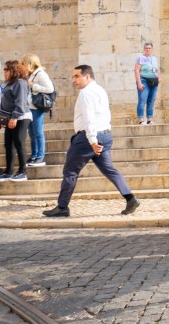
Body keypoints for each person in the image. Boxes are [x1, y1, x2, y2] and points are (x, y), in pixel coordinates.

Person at [43, 65, 140, 217]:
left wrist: (93, 141)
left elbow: (89, 119)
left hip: (88, 139)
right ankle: (130, 198)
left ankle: (62, 207)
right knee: (109, 169)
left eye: (77, 76)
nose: (74, 80)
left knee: (70, 171)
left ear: (87, 77)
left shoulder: (85, 94)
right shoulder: (101, 90)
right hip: (105, 135)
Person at [0, 60, 32, 181]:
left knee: (19, 142)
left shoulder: (20, 83)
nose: (4, 72)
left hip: (21, 117)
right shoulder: (10, 83)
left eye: (6, 69)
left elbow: (21, 102)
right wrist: (4, 119)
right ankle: (9, 171)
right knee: (8, 144)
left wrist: (14, 117)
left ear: (14, 70)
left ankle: (23, 171)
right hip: (10, 118)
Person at [22, 54, 55, 167]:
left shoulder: (41, 74)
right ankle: (34, 155)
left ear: (30, 63)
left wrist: (34, 86)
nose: (23, 65)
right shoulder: (32, 74)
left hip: (36, 107)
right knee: (32, 133)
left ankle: (40, 156)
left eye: (24, 63)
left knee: (38, 132)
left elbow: (50, 89)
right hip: (30, 107)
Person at [134, 42, 160, 125]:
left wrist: (159, 78)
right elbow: (137, 70)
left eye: (149, 48)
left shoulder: (154, 58)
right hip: (144, 80)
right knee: (142, 100)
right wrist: (139, 83)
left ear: (152, 49)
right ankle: (141, 120)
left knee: (151, 101)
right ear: (144, 49)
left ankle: (149, 119)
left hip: (154, 81)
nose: (148, 49)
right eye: (146, 48)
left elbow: (157, 69)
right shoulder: (141, 58)